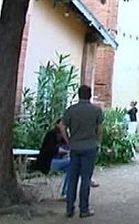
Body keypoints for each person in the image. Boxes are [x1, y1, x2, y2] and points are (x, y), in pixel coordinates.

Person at [59, 85, 103, 218]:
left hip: (75, 147)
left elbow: (61, 126)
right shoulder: (96, 110)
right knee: (85, 179)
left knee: (72, 178)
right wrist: (98, 142)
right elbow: (100, 129)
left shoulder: (71, 110)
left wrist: (68, 141)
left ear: (79, 95)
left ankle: (69, 209)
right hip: (90, 147)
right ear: (89, 95)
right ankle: (84, 209)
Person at [35, 119, 71, 199]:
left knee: (72, 168)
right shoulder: (50, 135)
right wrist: (60, 150)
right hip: (47, 162)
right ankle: (88, 179)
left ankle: (65, 193)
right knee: (73, 163)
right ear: (57, 125)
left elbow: (69, 148)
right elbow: (49, 149)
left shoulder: (64, 137)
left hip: (58, 161)